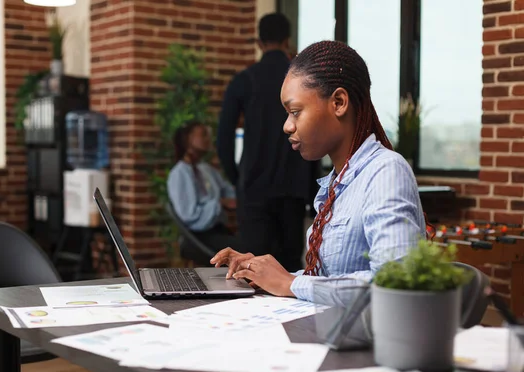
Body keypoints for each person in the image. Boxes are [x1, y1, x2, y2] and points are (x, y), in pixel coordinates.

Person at [211, 40, 430, 306]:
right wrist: (262, 274)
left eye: (295, 112)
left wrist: (289, 283)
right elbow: (332, 280)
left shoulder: (385, 172)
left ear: (338, 102)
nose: (286, 126)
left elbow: (396, 284)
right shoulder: (337, 183)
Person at [216, 13, 320, 272]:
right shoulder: (304, 82)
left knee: (250, 268)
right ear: (287, 40)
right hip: (293, 189)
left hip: (254, 190)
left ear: (259, 42)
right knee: (288, 270)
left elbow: (223, 138)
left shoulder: (244, 80)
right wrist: (310, 190)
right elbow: (318, 132)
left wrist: (238, 178)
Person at [167, 121, 239, 265]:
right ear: (188, 140)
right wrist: (219, 203)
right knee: (247, 248)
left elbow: (229, 191)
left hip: (218, 230)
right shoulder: (179, 174)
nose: (208, 139)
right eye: (203, 135)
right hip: (198, 236)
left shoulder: (206, 169)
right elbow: (189, 215)